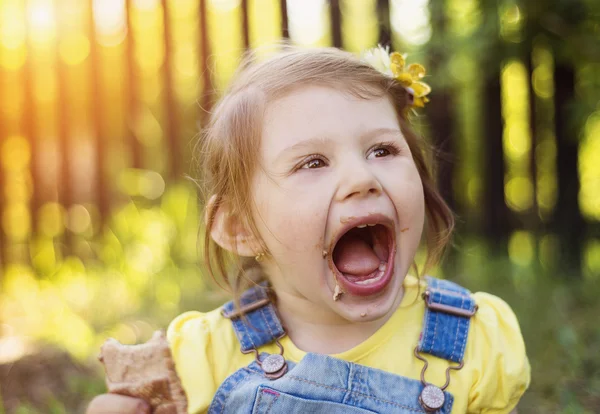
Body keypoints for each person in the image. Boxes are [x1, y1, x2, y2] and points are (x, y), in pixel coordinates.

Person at [87, 46, 530, 414]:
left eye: (381, 149)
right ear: (242, 228)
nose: (362, 178)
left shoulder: (476, 340)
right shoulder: (199, 359)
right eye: (313, 163)